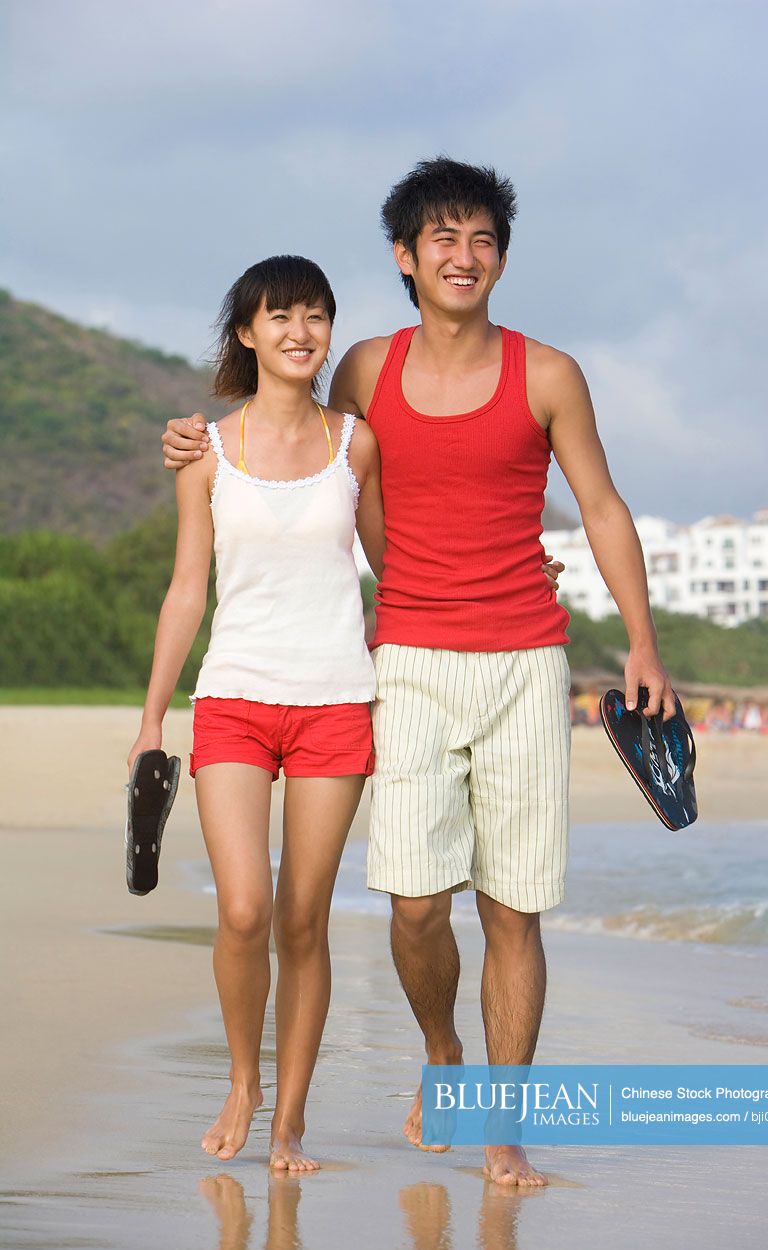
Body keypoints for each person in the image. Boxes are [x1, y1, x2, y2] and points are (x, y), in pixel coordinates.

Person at [162, 158, 675, 1187]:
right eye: (442, 237)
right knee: (413, 908)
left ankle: (496, 1124)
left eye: (482, 238)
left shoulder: (548, 374)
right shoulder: (363, 370)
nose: (463, 255)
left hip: (527, 658)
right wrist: (189, 438)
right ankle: (443, 1052)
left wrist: (642, 640)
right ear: (405, 256)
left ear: (500, 258)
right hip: (401, 659)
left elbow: (606, 508)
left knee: (513, 908)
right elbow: (283, 428)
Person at [130, 254, 385, 1171]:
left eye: (315, 315)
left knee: (303, 919)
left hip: (334, 704)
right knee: (243, 909)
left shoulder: (355, 444)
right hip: (234, 696)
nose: (300, 331)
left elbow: (396, 573)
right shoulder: (205, 452)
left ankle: (289, 1118)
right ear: (246, 331)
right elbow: (186, 589)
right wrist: (154, 719)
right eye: (279, 315)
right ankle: (244, 1078)